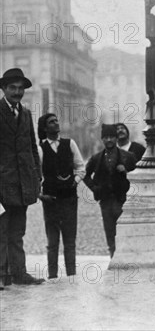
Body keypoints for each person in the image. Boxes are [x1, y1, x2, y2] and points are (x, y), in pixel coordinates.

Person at [0, 68, 44, 288]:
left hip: (22, 184)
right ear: (3, 89)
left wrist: (37, 176)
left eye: (20, 89)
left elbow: (32, 148)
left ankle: (19, 273)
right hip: (1, 184)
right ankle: (1, 276)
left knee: (18, 231)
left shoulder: (25, 114)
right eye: (12, 88)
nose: (17, 92)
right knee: (1, 230)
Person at [37, 113, 85, 280]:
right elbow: (36, 175)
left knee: (70, 241)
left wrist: (75, 181)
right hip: (51, 201)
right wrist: (41, 196)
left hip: (70, 200)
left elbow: (80, 167)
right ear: (44, 128)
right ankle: (52, 277)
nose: (56, 124)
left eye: (57, 120)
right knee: (52, 243)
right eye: (51, 122)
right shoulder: (40, 149)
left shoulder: (69, 144)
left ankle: (72, 276)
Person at [84, 124, 137, 257]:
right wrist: (95, 188)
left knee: (124, 231)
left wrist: (125, 171)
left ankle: (125, 258)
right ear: (102, 139)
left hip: (123, 201)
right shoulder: (96, 158)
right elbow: (84, 174)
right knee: (109, 230)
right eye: (106, 137)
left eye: (112, 137)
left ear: (116, 138)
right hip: (105, 201)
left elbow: (137, 176)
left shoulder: (128, 156)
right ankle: (113, 258)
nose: (109, 140)